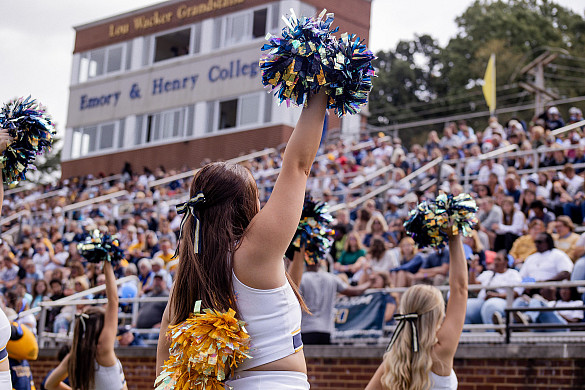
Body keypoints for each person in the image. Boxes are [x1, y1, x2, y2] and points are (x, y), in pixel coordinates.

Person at [156, 91, 327, 389]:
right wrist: (323, 87)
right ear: (246, 205)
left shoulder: (187, 277)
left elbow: (164, 361)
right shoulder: (255, 250)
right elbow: (298, 165)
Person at [366, 222, 467, 390]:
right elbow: (460, 290)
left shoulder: (393, 360)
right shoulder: (442, 352)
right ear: (437, 314)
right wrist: (454, 237)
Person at [45, 253, 127, 389]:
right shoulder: (103, 350)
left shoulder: (75, 354)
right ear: (100, 327)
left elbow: (49, 384)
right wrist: (107, 262)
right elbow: (113, 301)